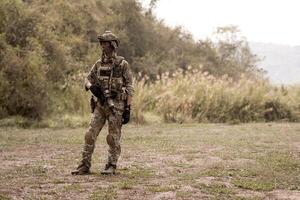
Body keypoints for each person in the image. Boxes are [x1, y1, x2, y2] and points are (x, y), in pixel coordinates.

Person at [71, 31, 134, 175]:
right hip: (100, 105)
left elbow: (130, 88)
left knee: (112, 138)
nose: (102, 46)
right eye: (101, 43)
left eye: (105, 43)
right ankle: (84, 165)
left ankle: (111, 165)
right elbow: (87, 79)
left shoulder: (122, 64)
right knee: (89, 134)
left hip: (116, 106)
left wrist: (128, 109)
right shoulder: (98, 64)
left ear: (112, 45)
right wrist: (91, 87)